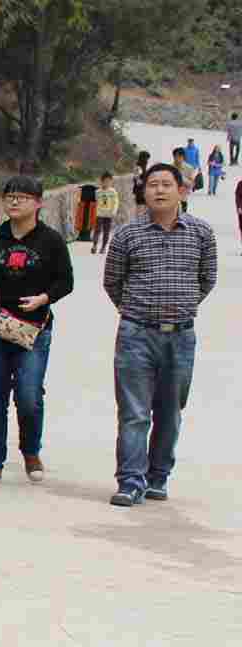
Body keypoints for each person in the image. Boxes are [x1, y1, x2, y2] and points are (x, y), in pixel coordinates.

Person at [103, 163, 218, 506]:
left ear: (181, 191)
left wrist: (180, 307)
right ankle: (130, 481)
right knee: (134, 412)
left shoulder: (201, 233)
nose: (159, 190)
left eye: (167, 184)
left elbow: (207, 279)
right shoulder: (127, 234)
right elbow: (113, 282)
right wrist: (137, 311)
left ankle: (157, 477)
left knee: (170, 411)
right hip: (136, 334)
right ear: (144, 191)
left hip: (180, 337)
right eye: (153, 184)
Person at [0, 176, 73, 485]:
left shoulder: (51, 240)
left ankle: (31, 452)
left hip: (34, 330)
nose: (15, 202)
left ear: (38, 203)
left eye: (23, 197)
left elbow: (65, 281)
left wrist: (44, 298)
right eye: (10, 196)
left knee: (29, 396)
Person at [92, 172, 119, 255]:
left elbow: (116, 202)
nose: (107, 183)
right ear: (102, 181)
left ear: (111, 182)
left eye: (109, 181)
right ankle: (94, 245)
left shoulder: (113, 192)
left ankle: (103, 247)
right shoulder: (97, 192)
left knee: (106, 231)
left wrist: (114, 211)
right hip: (99, 213)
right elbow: (96, 202)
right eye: (105, 181)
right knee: (97, 230)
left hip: (108, 214)